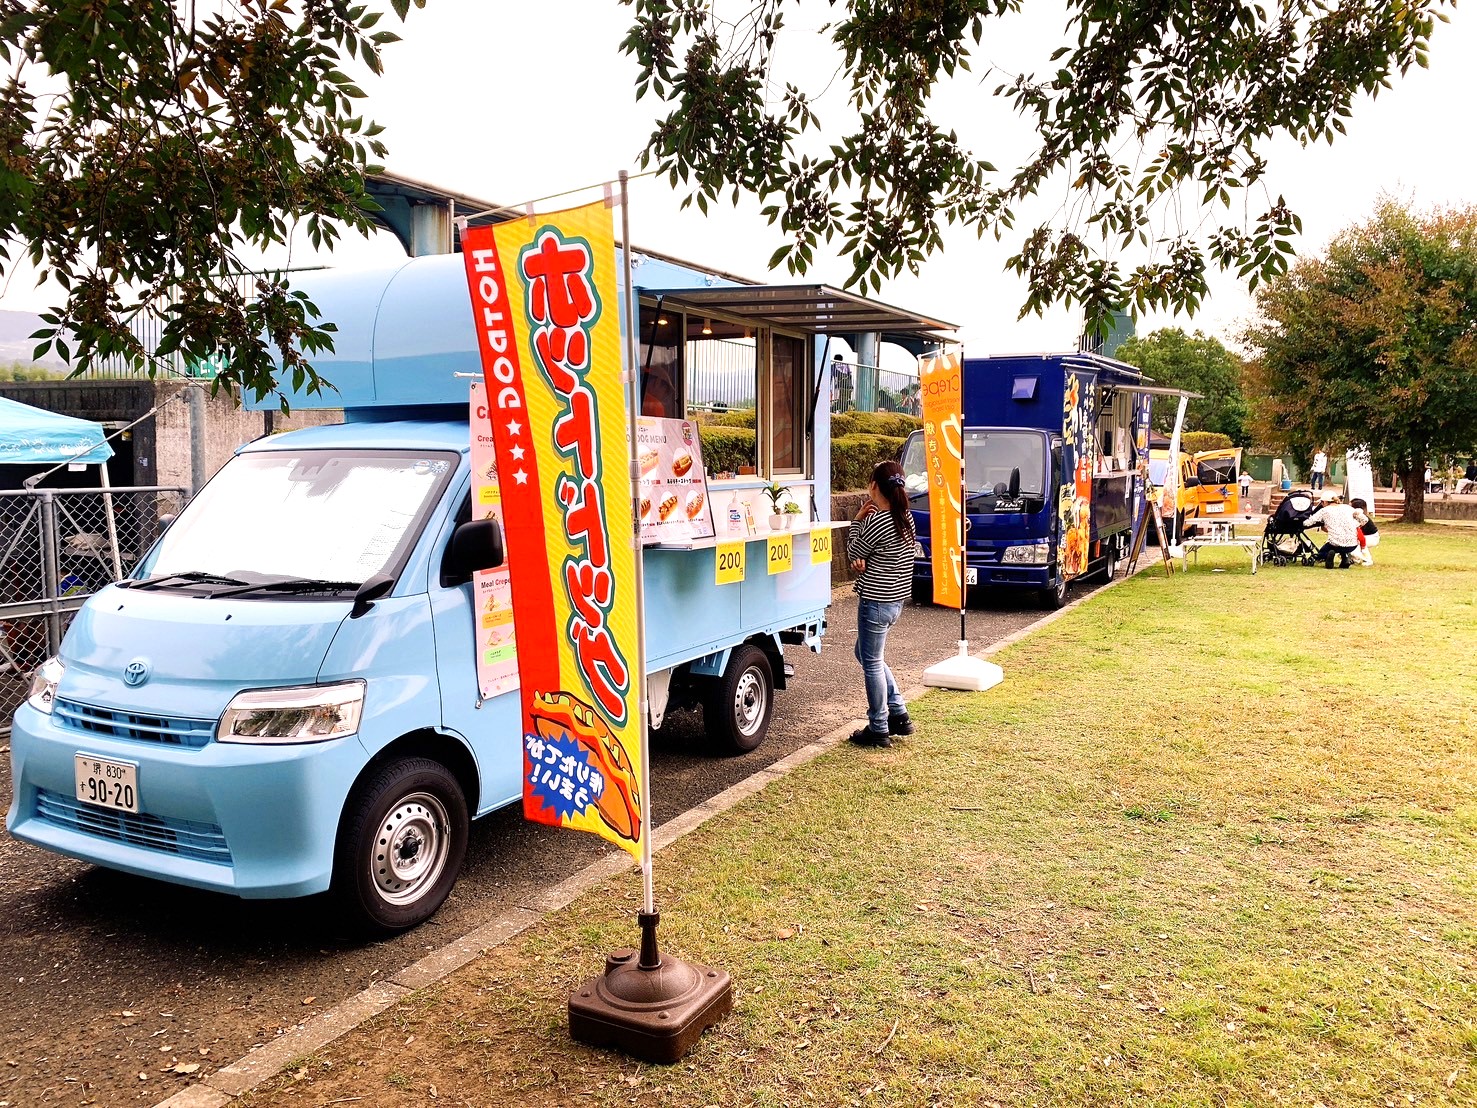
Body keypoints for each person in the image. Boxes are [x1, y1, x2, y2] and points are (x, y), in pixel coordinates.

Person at [846, 460, 916, 748]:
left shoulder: (877, 521)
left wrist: (856, 520)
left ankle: (879, 726)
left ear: (874, 486)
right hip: (895, 601)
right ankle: (898, 713)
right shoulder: (905, 518)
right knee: (864, 653)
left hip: (875, 601)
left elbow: (853, 551)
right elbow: (866, 554)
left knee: (871, 662)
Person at [1303, 494, 1361, 569]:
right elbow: (1364, 519)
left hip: (1335, 543)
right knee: (1343, 545)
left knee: (1325, 550)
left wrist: (1301, 523)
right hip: (1353, 544)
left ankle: (1325, 557)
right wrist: (1356, 525)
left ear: (1324, 502)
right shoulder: (1348, 508)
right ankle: (1345, 558)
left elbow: (1309, 522)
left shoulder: (1324, 510)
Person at [1349, 497, 1378, 565]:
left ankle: (1367, 559)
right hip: (1363, 536)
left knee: (1356, 543)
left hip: (1371, 537)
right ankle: (1355, 559)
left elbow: (1360, 535)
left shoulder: (1361, 518)